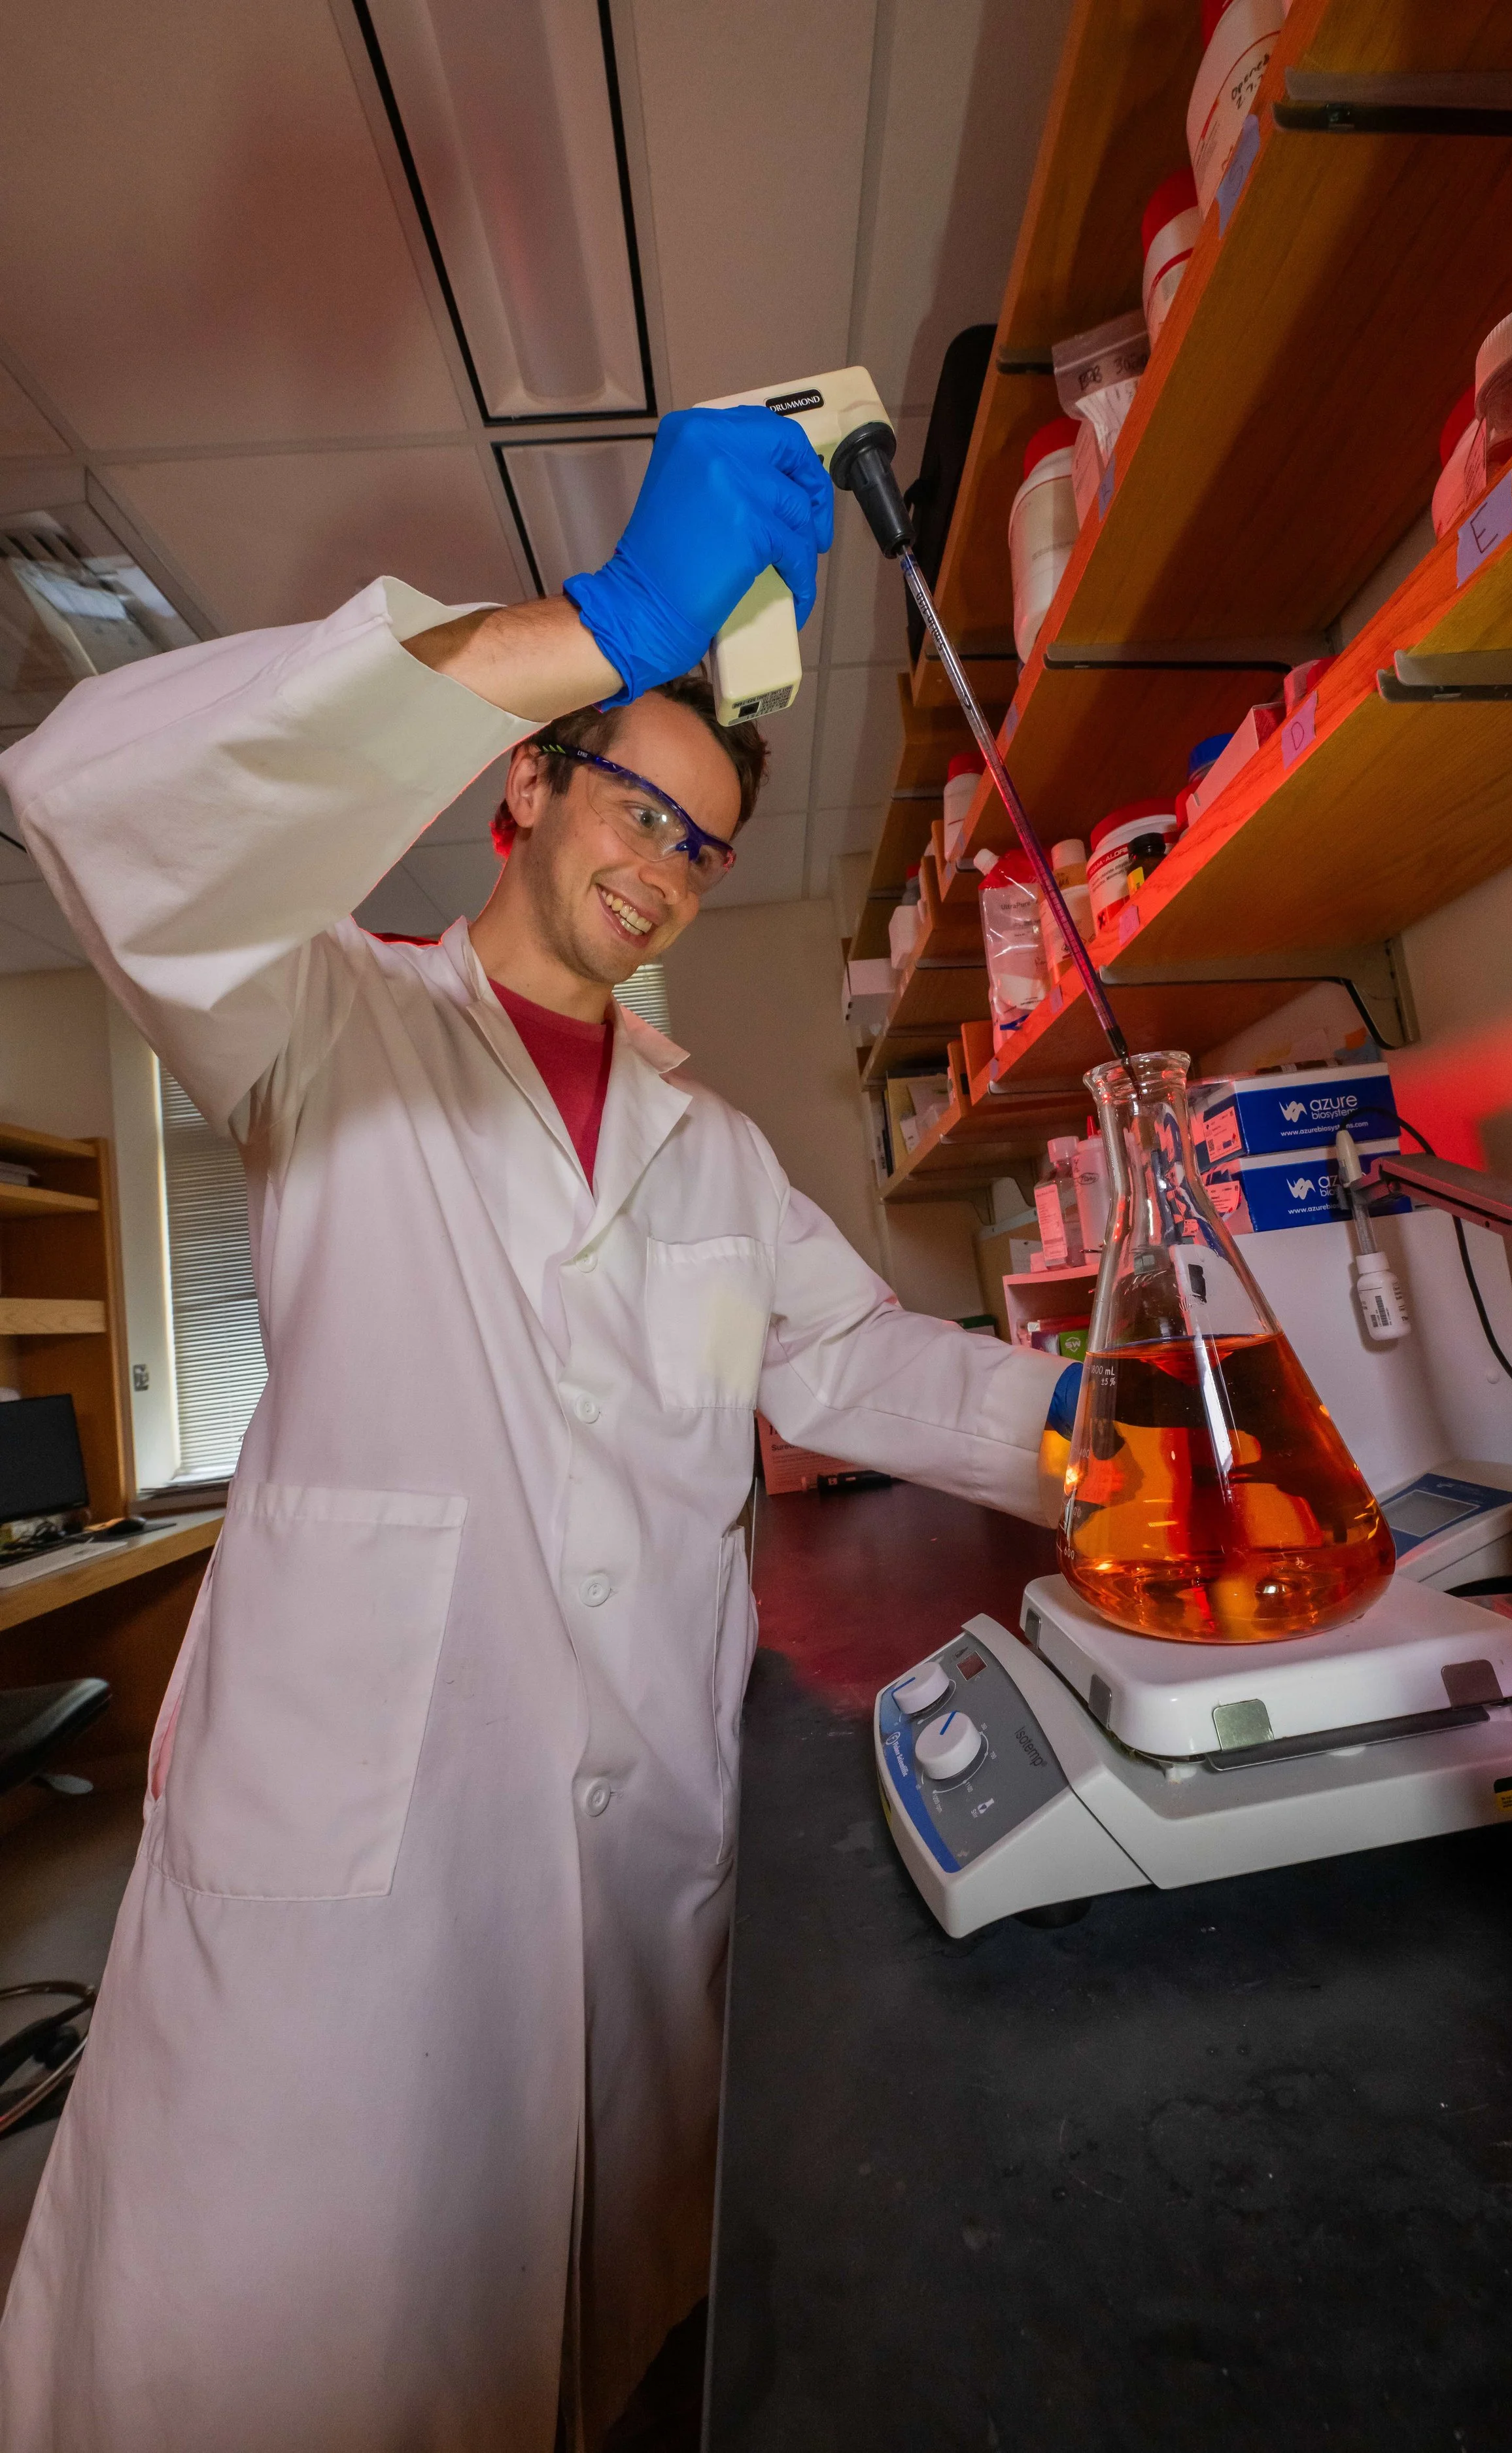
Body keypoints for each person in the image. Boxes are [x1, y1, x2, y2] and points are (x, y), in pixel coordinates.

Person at [0, 406, 1061, 2452]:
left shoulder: (711, 1148)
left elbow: (859, 1365)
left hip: (631, 1843)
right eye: (627, 804)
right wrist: (599, 617)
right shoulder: (321, 1018)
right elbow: (100, 803)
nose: (659, 863)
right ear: (524, 785)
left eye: (697, 840)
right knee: (304, 2361)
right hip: (356, 1876)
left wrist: (1087, 1425)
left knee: (585, 2353)